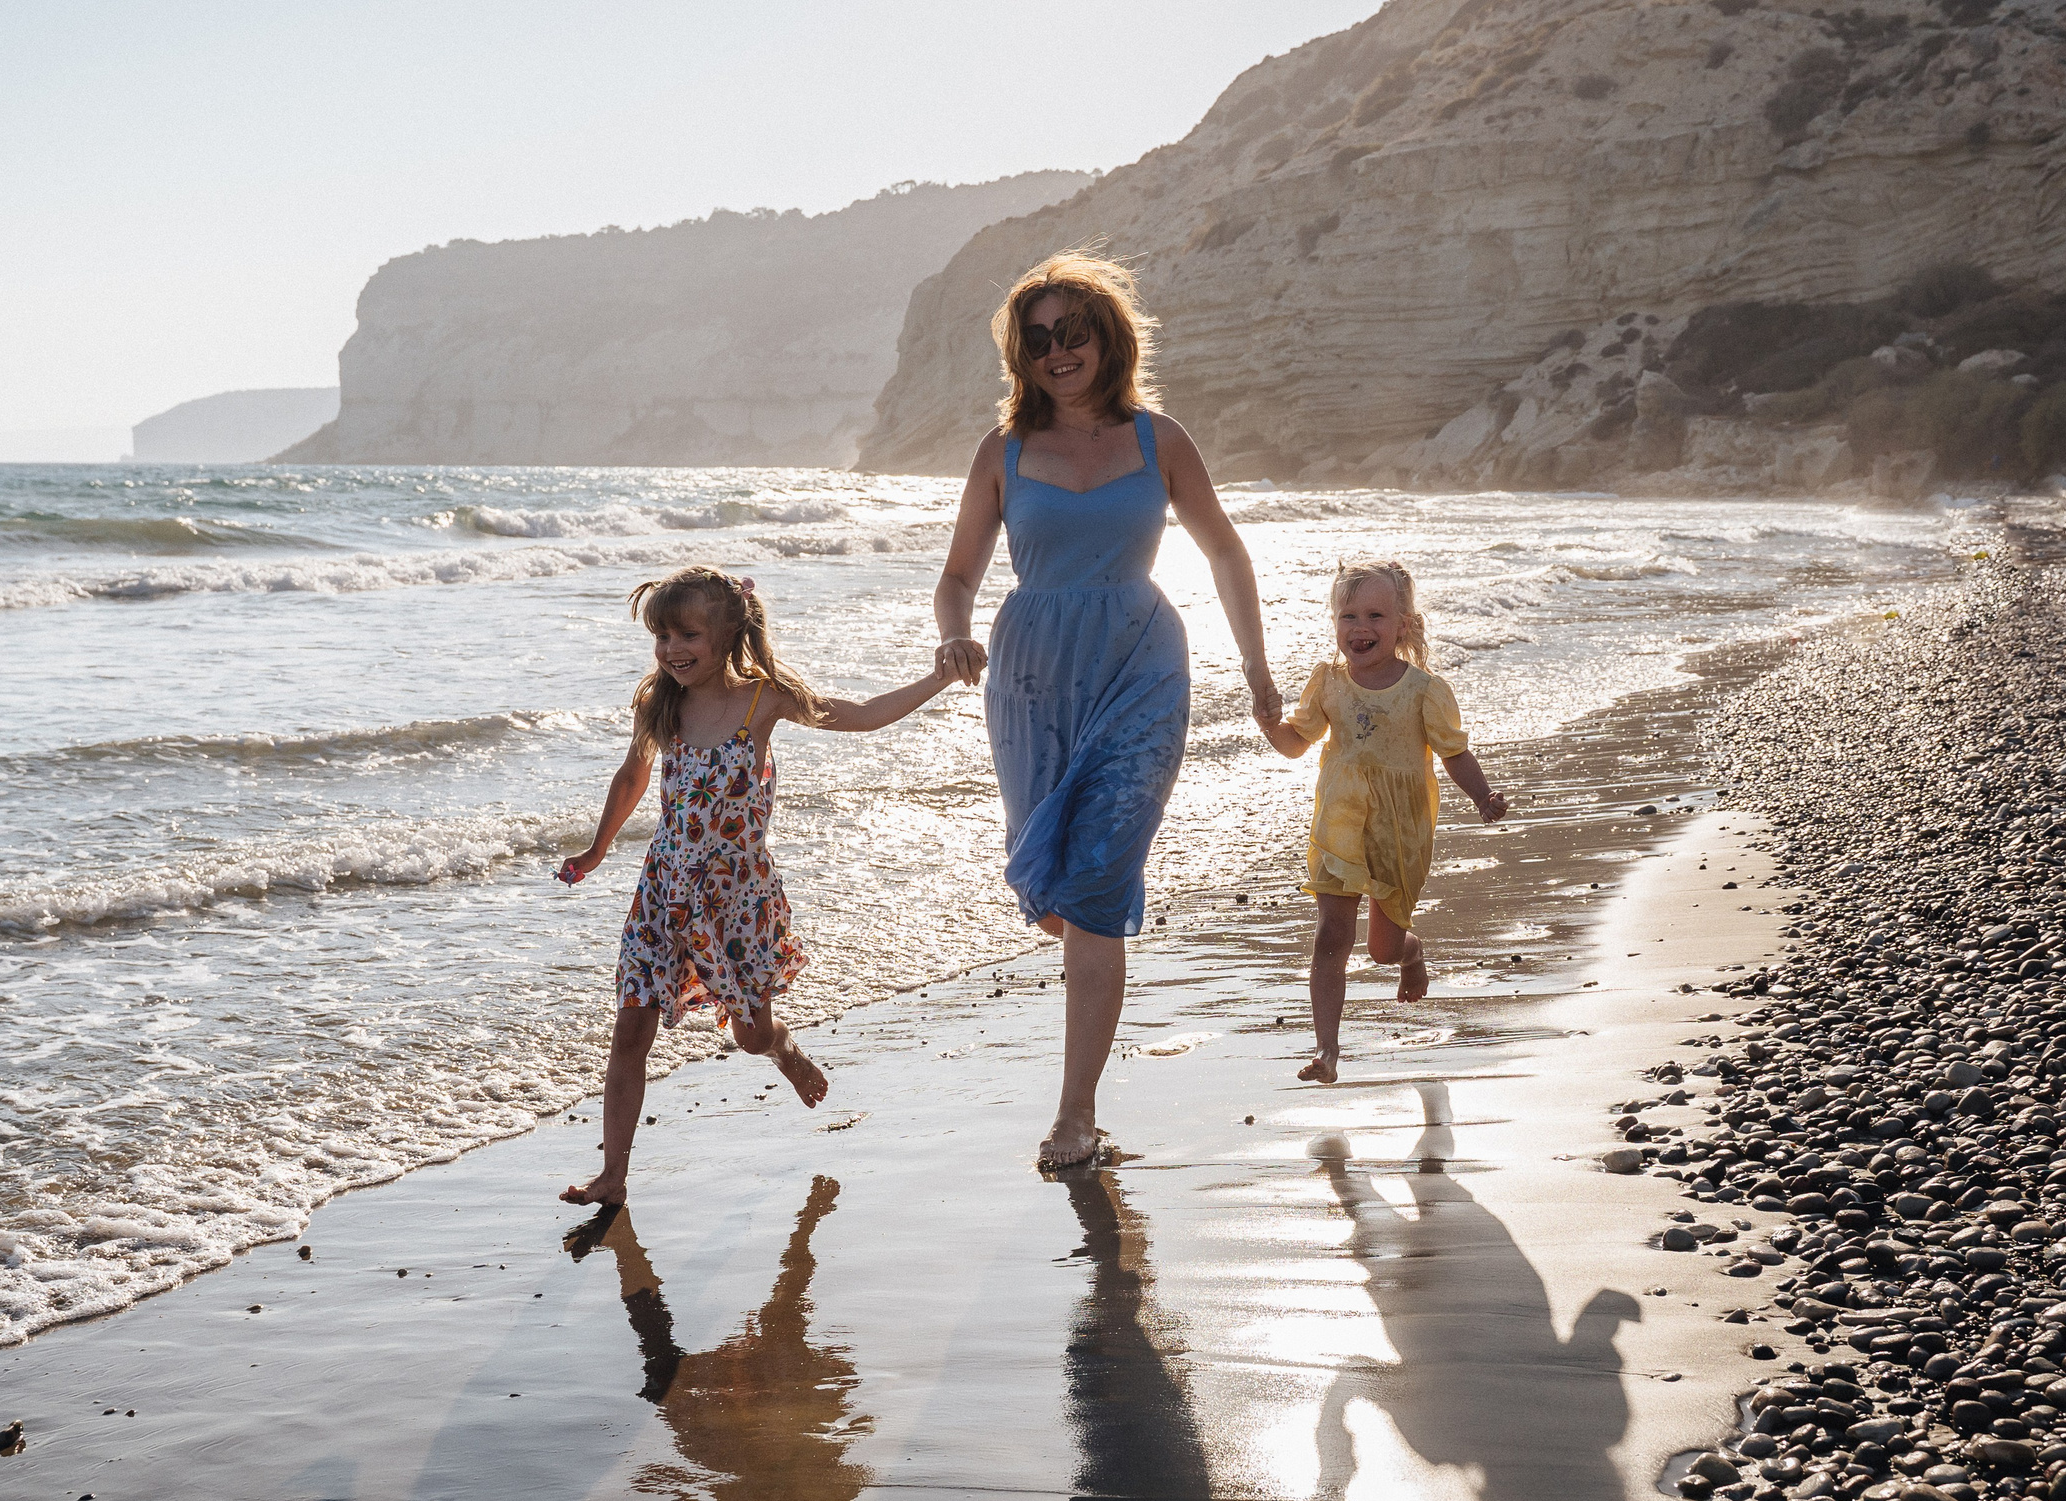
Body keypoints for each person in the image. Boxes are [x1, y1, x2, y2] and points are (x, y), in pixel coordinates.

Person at [933, 250, 1279, 1169]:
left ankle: (1073, 1115)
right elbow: (958, 575)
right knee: (1054, 890)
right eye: (1038, 338)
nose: (1057, 351)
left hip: (1142, 669)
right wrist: (952, 634)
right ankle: (1086, 1055)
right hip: (1033, 680)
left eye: (1072, 332)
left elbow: (1227, 557)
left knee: (1093, 888)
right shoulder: (1001, 454)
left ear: (1107, 338)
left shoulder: (1161, 441)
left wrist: (1258, 674)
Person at [556, 564, 952, 1206]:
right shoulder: (660, 702)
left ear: (730, 630)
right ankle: (613, 1177)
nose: (671, 650)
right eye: (661, 636)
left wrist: (938, 675)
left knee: (750, 1035)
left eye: (687, 634)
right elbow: (632, 777)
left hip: (737, 899)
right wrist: (598, 848)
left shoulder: (765, 698)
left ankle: (785, 1050)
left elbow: (861, 716)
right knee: (631, 1028)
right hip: (664, 891)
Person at [1259, 560, 1508, 1084]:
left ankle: (1411, 952)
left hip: (1401, 828)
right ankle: (1327, 1050)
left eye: (1375, 614)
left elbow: (1453, 753)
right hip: (1341, 823)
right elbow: (1293, 745)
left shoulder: (1424, 690)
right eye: (1348, 615)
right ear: (1334, 624)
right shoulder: (1328, 683)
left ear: (1403, 625)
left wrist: (1482, 796)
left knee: (1382, 949)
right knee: (1331, 934)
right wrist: (1268, 723)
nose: (1360, 627)